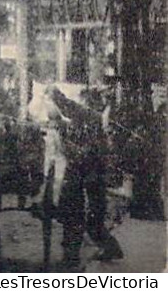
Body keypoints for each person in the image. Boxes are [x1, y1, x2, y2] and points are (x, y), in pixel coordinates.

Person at [48, 86, 125, 266]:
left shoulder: (89, 115)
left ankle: (71, 256)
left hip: (83, 171)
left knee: (72, 212)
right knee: (92, 217)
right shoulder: (95, 118)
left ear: (88, 102)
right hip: (92, 172)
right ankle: (110, 247)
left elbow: (69, 107)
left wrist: (54, 93)